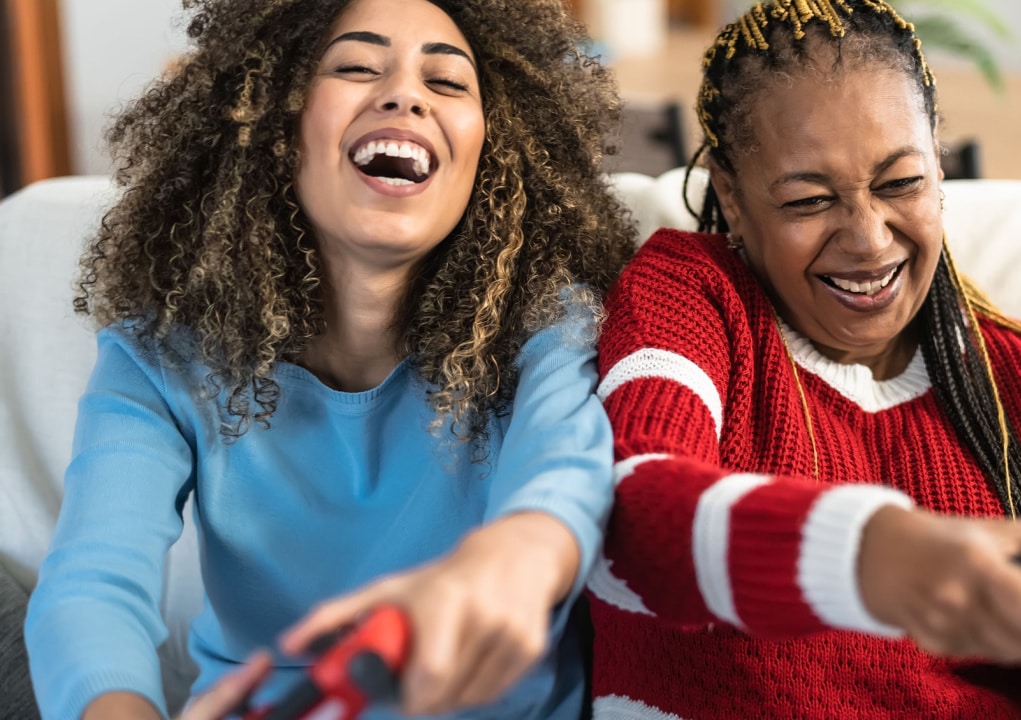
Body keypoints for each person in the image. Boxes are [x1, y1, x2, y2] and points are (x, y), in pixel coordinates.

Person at [587, 1, 1021, 719]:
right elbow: (638, 514)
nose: (868, 239)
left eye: (900, 183)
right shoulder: (690, 295)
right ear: (731, 193)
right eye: (809, 200)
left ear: (938, 162)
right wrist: (880, 557)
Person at [23, 0, 635, 718]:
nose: (405, 93)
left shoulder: (547, 328)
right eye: (355, 66)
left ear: (492, 150)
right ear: (273, 123)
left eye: (447, 82)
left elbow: (563, 481)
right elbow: (92, 584)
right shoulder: (160, 355)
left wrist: (514, 560)